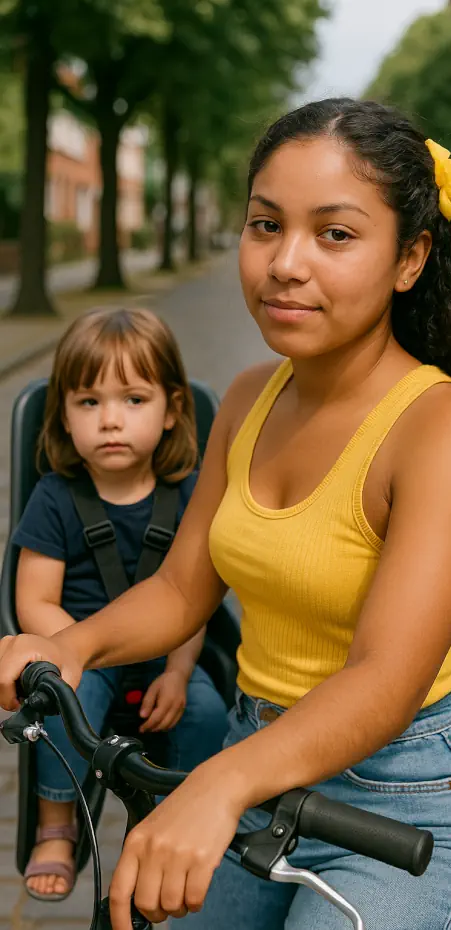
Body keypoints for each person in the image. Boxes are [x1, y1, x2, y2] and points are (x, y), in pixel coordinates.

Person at [0, 100, 451, 929]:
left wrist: (220, 783)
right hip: (258, 758)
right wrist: (68, 646)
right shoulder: (245, 399)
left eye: (335, 234)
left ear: (409, 258)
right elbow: (182, 589)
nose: (285, 263)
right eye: (266, 225)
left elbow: (386, 678)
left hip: (406, 803)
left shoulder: (447, 431)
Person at [11, 306, 228, 903]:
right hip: (83, 651)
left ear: (172, 410)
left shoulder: (186, 495)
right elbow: (33, 599)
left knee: (209, 714)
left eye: (133, 400)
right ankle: (57, 823)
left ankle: (180, 823)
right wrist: (80, 652)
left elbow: (195, 598)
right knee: (62, 701)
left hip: (166, 652)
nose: (110, 421)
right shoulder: (56, 497)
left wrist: (181, 673)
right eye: (89, 403)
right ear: (63, 414)